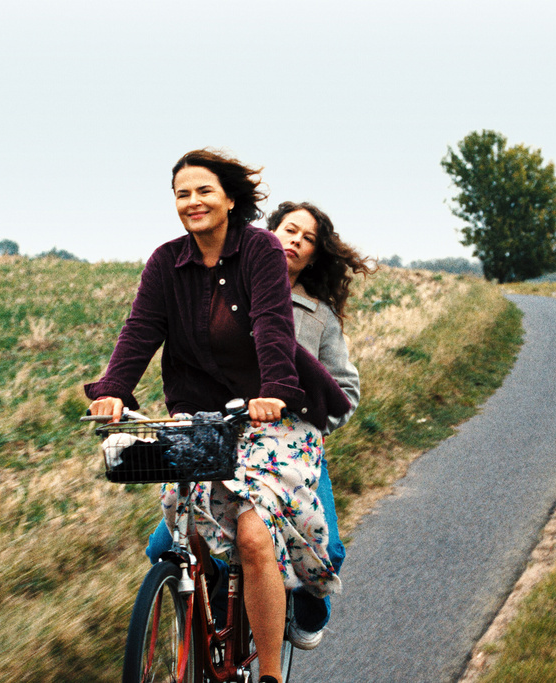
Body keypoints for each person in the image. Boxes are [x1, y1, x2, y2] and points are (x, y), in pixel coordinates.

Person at [85, 149, 350, 683]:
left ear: (230, 199)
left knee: (252, 533)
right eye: (182, 193)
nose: (193, 201)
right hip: (201, 416)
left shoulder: (260, 249)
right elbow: (140, 330)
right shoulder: (165, 262)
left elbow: (272, 324)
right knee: (182, 531)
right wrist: (112, 390)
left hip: (274, 416)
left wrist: (274, 390)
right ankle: (201, 632)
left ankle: (270, 674)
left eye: (204, 190)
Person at [145, 200, 375, 648]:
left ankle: (304, 609)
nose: (296, 241)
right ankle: (217, 602)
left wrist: (307, 418)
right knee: (163, 546)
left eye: (308, 239)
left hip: (288, 445)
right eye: (290, 230)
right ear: (269, 235)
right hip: (223, 437)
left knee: (327, 548)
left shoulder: (319, 316)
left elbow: (345, 390)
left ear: (314, 256)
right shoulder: (225, 290)